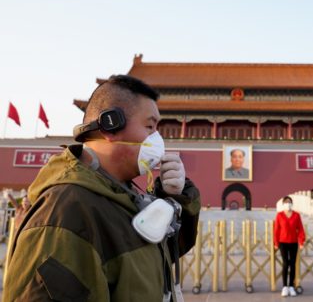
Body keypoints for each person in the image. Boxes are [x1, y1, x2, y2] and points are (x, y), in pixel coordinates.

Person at [3, 75, 201, 302]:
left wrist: (175, 198)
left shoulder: (122, 194)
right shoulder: (66, 211)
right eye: (149, 126)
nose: (156, 138)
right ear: (111, 125)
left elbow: (156, 257)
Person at [273, 196, 305, 297]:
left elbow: (300, 229)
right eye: (286, 202)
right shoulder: (279, 215)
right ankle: (284, 287)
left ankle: (291, 286)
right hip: (283, 242)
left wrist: (301, 241)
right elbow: (276, 230)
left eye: (290, 202)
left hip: (293, 242)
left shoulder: (296, 215)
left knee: (293, 264)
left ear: (292, 203)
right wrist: (276, 243)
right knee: (286, 263)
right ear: (283, 204)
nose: (288, 203)